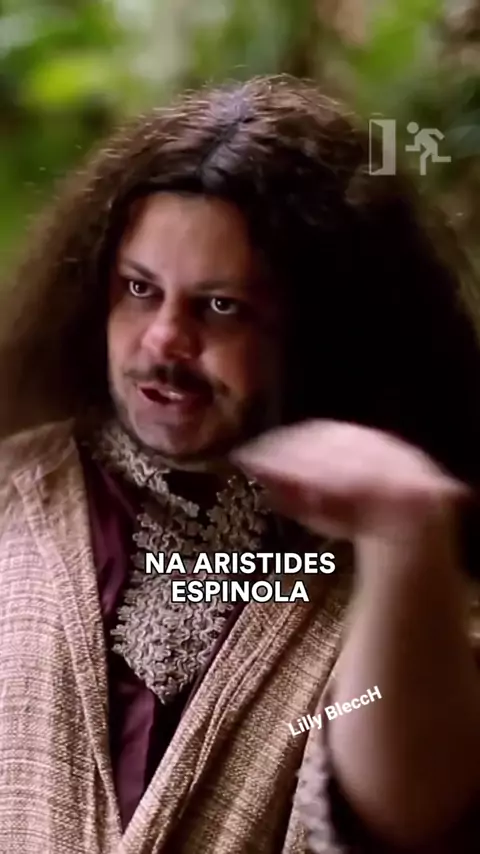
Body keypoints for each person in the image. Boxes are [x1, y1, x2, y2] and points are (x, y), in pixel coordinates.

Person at [0, 73, 479, 854]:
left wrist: (404, 547)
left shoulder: (396, 555)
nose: (164, 339)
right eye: (140, 289)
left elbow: (414, 819)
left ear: (321, 330)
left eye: (220, 306)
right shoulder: (16, 497)